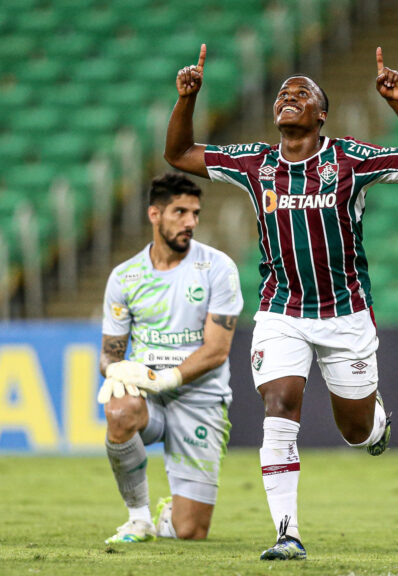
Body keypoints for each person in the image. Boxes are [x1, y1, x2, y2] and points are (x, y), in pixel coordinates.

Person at [164, 44, 398, 559]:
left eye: (302, 93)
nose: (288, 97)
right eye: (282, 93)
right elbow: (180, 155)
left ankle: (375, 419)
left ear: (321, 114)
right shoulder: (255, 163)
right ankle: (286, 533)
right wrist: (188, 99)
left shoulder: (350, 161)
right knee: (279, 406)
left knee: (356, 433)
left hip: (345, 314)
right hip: (281, 312)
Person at [96, 172, 243, 544]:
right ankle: (138, 518)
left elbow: (217, 349)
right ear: (154, 214)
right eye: (180, 212)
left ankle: (168, 519)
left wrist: (165, 378)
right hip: (148, 395)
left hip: (199, 398)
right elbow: (109, 354)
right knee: (119, 408)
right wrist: (116, 370)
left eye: (195, 213)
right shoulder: (125, 277)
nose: (190, 222)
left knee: (191, 532)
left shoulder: (218, 268)